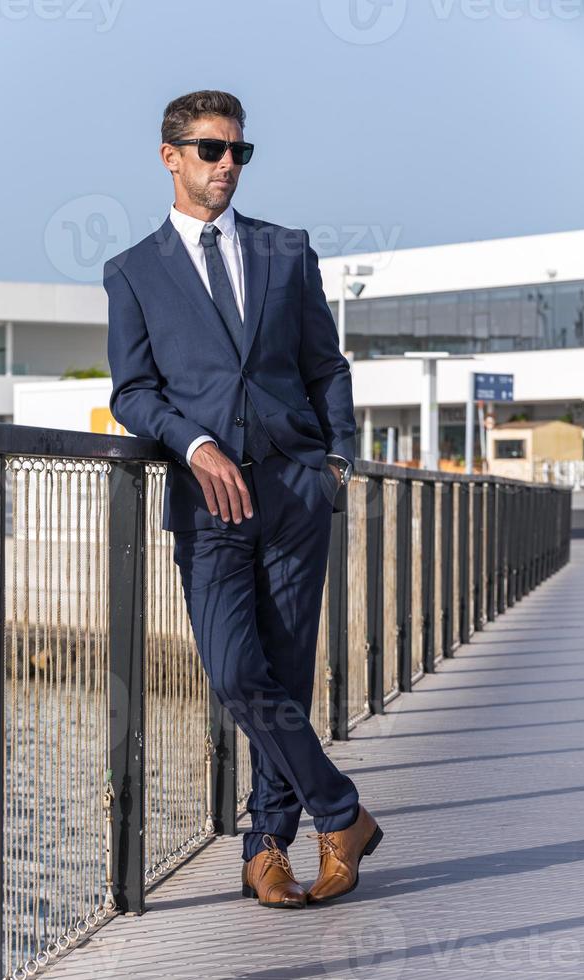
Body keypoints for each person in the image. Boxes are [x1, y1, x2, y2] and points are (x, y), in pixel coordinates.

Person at [104, 89, 382, 908]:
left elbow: (326, 364)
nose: (227, 165)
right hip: (207, 501)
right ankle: (342, 811)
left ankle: (266, 845)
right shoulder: (133, 272)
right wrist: (191, 444)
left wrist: (335, 459)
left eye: (238, 152)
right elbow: (132, 391)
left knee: (285, 679)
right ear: (171, 157)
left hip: (297, 491)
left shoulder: (285, 251)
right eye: (210, 150)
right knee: (234, 671)